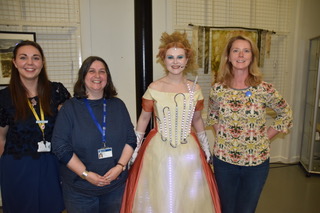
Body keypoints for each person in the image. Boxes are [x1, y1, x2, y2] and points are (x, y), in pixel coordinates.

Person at [121, 31, 221, 213]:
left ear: (186, 59)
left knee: (188, 196)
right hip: (159, 150)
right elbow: (144, 119)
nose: (175, 62)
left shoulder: (195, 89)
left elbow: (197, 120)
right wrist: (135, 149)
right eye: (170, 57)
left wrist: (206, 147)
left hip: (189, 152)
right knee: (162, 193)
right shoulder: (154, 88)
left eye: (180, 57)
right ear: (163, 60)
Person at [207, 35, 293, 213]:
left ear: (252, 57)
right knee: (226, 209)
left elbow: (285, 113)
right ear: (228, 56)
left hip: (256, 163)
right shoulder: (218, 89)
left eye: (246, 51)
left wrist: (265, 136)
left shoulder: (264, 88)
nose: (240, 55)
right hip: (225, 161)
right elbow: (212, 115)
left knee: (247, 209)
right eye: (235, 50)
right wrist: (223, 135)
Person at [51, 56, 136, 213]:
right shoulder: (70, 108)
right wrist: (86, 174)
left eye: (102, 72)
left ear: (107, 78)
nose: (97, 76)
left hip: (115, 187)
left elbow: (131, 139)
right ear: (83, 77)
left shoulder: (118, 105)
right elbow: (60, 146)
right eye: (92, 71)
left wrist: (120, 167)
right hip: (80, 191)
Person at [0, 40, 70, 213]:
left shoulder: (57, 91)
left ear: (42, 62)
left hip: (52, 165)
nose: (30, 63)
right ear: (15, 63)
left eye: (35, 58)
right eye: (23, 58)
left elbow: (70, 127)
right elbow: (1, 139)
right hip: (17, 167)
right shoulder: (4, 97)